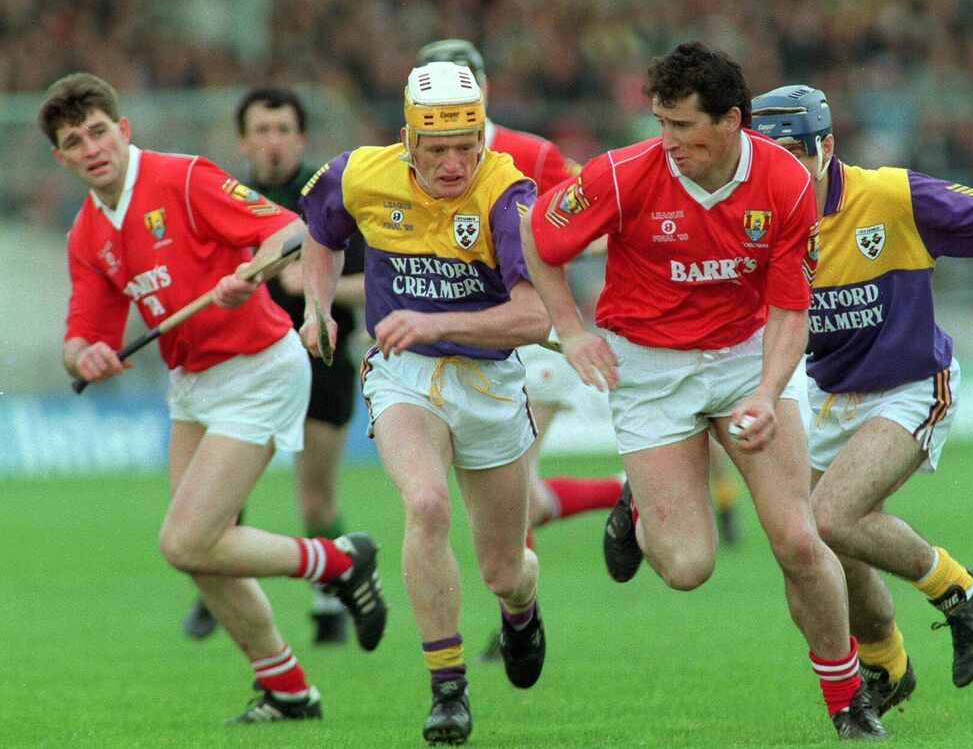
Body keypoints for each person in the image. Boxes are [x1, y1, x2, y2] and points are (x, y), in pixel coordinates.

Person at [521, 42, 885, 740]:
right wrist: (569, 331)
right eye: (662, 123)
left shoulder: (784, 182)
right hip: (648, 369)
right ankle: (636, 505)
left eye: (683, 126)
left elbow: (790, 310)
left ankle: (848, 701)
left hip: (747, 357)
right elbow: (537, 235)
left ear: (731, 122)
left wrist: (768, 392)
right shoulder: (622, 174)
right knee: (688, 567)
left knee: (798, 539)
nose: (668, 141)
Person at [41, 72, 387, 724]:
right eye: (74, 142)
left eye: (98, 132)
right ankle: (289, 691)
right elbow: (83, 332)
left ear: (122, 130)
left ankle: (340, 560)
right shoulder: (87, 234)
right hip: (192, 384)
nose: (91, 148)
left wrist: (250, 271)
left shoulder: (182, 177)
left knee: (186, 540)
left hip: (258, 367)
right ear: (61, 159)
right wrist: (84, 355)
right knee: (202, 553)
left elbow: (288, 230)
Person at [749, 84, 973, 713]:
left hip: (913, 385)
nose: (782, 173)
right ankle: (887, 664)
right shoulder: (757, 222)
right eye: (767, 160)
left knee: (831, 516)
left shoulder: (888, 196)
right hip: (828, 395)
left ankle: (961, 589)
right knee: (808, 548)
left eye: (793, 155)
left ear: (825, 147)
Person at [299, 61, 550, 745]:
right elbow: (321, 233)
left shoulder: (508, 194)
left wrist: (435, 320)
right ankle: (447, 689)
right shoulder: (361, 173)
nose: (454, 163)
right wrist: (317, 305)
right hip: (403, 374)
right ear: (409, 139)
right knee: (428, 505)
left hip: (490, 383)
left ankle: (522, 610)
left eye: (467, 145)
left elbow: (535, 318)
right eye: (437, 149)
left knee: (505, 570)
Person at [417, 38, 742, 562]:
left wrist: (571, 253)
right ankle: (621, 490)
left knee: (510, 499)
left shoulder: (531, 153)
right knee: (509, 504)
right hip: (467, 337)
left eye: (462, 84)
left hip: (534, 341)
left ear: (484, 89)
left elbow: (603, 215)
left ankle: (519, 614)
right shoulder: (408, 165)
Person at [181, 87, 364, 644]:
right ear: (243, 141)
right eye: (262, 130)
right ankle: (218, 589)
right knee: (224, 497)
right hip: (248, 366)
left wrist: (318, 288)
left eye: (283, 129)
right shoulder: (229, 199)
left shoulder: (330, 197)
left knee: (316, 499)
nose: (273, 141)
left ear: (301, 138)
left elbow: (374, 286)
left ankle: (331, 602)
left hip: (320, 358)